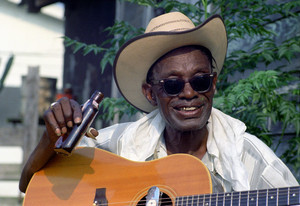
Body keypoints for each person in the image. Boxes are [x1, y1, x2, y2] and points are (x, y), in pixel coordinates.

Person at [19, 12, 298, 194]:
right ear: (151, 94)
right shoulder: (116, 147)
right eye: (173, 85)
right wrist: (49, 139)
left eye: (200, 81)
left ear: (213, 85)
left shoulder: (248, 160)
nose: (189, 93)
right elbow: (30, 187)